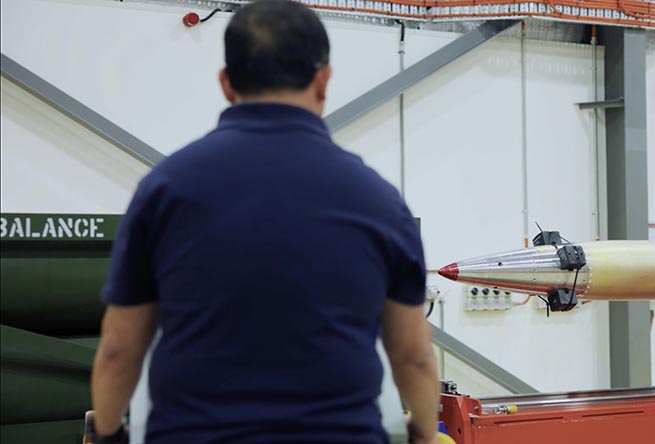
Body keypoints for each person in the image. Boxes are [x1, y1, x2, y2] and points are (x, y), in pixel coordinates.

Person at [89, 1, 439, 443]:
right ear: (324, 79)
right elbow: (413, 356)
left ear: (226, 84)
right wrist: (424, 433)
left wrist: (106, 432)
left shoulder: (163, 191)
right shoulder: (378, 201)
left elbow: (120, 348)